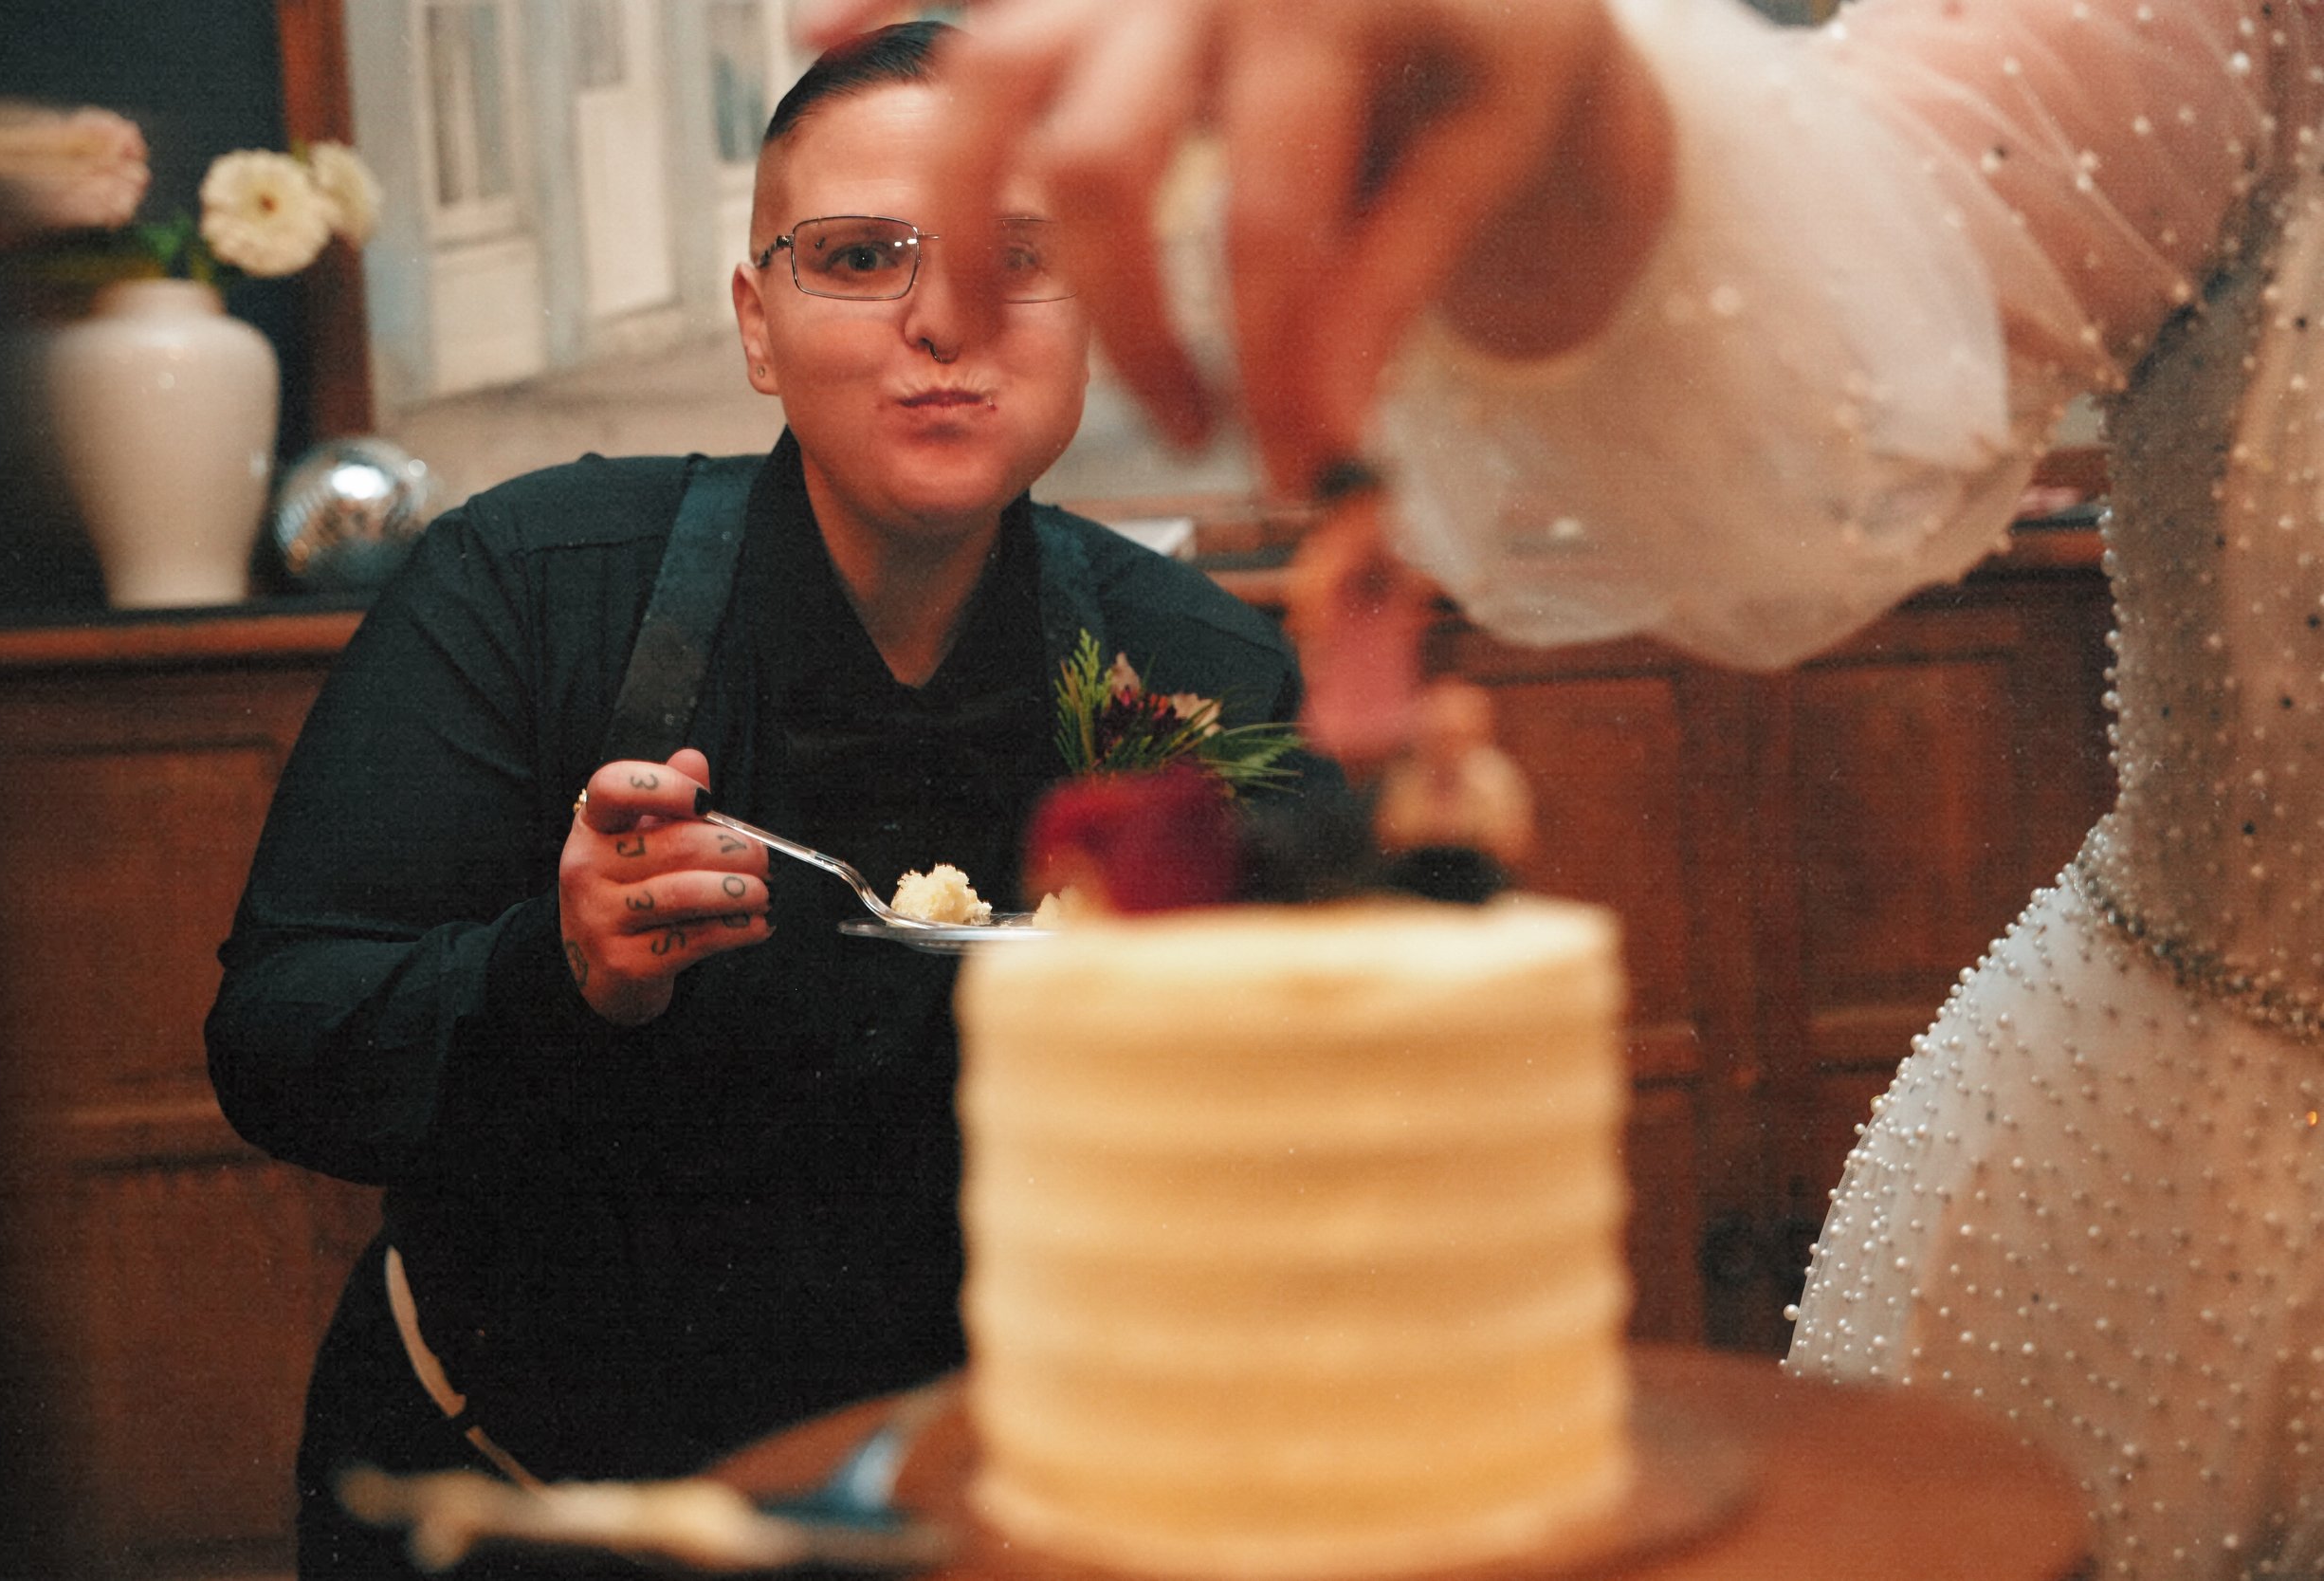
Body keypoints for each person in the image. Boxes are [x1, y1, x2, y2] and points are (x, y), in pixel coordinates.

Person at [799, 0, 2324, 1575]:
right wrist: (1577, 137)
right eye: (852, 260)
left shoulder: (1191, 644)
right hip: (2209, 1224)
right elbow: (1849, 353)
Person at [203, 22, 1331, 1578]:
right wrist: (565, 970)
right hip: (517, 1498)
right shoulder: (524, 590)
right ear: (755, 321)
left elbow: (1328, 1111)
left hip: (1014, 1522)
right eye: (861, 257)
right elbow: (278, 1045)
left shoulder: (1207, 672)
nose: (943, 320)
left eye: (1020, 257)